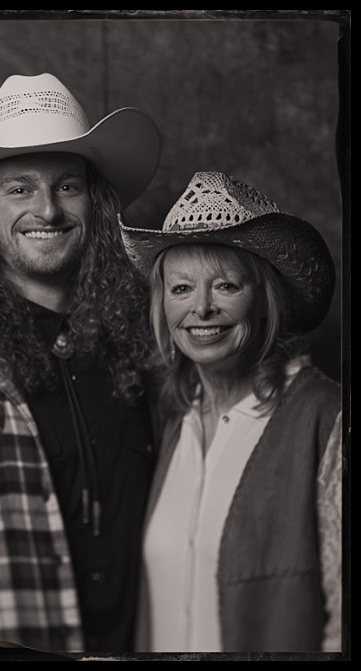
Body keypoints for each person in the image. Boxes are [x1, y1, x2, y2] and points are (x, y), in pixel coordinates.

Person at [0, 72, 162, 652]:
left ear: (96, 201)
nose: (47, 209)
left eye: (68, 186)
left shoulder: (156, 343)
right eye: (18, 189)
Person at [120, 171, 341, 652]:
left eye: (225, 286)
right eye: (181, 289)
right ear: (164, 308)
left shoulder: (326, 419)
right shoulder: (169, 423)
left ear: (265, 300)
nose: (201, 309)